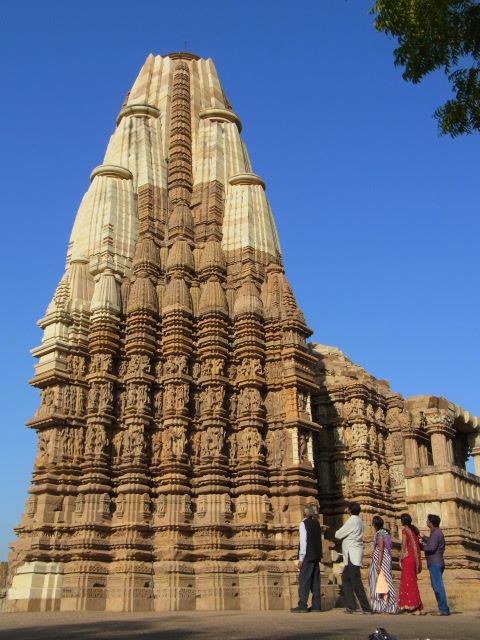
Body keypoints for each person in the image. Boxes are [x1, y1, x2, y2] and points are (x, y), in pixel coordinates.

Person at [335, 502, 371, 615]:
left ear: (350, 510)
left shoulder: (352, 521)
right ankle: (352, 605)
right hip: (354, 553)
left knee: (355, 580)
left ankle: (365, 607)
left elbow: (338, 534)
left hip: (352, 553)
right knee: (346, 577)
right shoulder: (359, 521)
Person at [290, 505, 323, 613]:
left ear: (304, 514)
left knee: (304, 579)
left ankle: (303, 604)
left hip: (308, 556)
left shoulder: (303, 523)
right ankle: (317, 605)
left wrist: (301, 558)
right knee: (315, 580)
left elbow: (304, 541)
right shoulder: (316, 523)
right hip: (316, 555)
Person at [420, 514, 449, 616]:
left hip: (435, 562)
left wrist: (420, 546)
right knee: (436, 585)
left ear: (431, 523)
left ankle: (443, 609)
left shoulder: (436, 533)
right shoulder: (436, 532)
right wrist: (424, 538)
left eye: (428, 520)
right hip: (436, 561)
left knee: (438, 586)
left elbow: (431, 548)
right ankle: (443, 608)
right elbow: (432, 543)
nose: (427, 522)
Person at [368, 515, 397, 614]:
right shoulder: (386, 533)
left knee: (380, 582)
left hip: (381, 560)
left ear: (375, 524)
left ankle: (388, 606)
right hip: (385, 559)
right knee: (383, 582)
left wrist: (379, 565)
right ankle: (384, 606)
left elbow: (380, 549)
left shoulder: (380, 535)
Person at [397, 513, 425, 615]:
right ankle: (417, 606)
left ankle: (414, 608)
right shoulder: (413, 531)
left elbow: (403, 545)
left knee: (409, 582)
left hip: (408, 559)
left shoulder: (405, 530)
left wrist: (400, 559)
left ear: (402, 521)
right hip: (414, 559)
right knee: (412, 581)